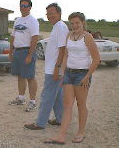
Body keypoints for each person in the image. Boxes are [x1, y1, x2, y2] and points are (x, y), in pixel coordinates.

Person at [44, 12, 100, 145]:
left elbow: (96, 59)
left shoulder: (88, 37)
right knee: (67, 105)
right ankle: (61, 136)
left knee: (81, 104)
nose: (74, 26)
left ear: (83, 23)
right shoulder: (69, 35)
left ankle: (81, 133)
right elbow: (66, 56)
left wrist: (87, 76)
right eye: (72, 23)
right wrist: (63, 72)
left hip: (82, 75)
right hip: (69, 74)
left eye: (77, 23)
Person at [24, 3, 69, 130]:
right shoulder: (58, 26)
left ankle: (40, 123)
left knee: (47, 96)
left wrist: (57, 68)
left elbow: (63, 49)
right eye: (48, 14)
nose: (49, 16)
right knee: (57, 96)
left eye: (52, 13)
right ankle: (60, 119)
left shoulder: (60, 27)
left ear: (59, 13)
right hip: (54, 68)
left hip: (54, 69)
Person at [9, 0, 39, 112]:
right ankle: (21, 98)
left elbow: (34, 38)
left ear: (30, 7)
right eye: (21, 5)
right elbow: (13, 37)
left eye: (26, 6)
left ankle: (32, 102)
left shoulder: (32, 21)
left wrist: (30, 55)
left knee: (30, 77)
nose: (23, 8)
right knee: (20, 76)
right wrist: (11, 51)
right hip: (17, 51)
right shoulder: (17, 21)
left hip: (27, 51)